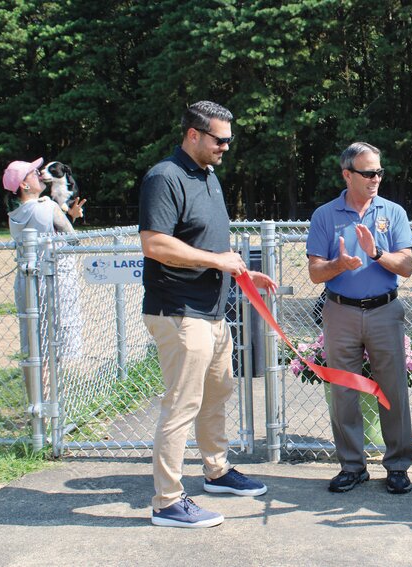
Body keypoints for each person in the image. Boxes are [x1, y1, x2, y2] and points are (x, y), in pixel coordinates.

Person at [139, 101, 277, 528]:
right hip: (179, 311)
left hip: (213, 312)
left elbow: (207, 248)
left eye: (229, 140)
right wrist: (219, 263)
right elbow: (155, 244)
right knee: (182, 405)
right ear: (194, 135)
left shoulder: (209, 177)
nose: (226, 148)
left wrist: (237, 268)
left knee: (217, 395)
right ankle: (168, 501)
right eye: (220, 140)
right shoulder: (165, 177)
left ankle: (216, 472)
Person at [306, 142, 412, 494]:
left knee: (393, 391)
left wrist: (376, 253)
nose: (375, 179)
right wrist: (340, 265)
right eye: (368, 173)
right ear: (347, 175)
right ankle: (352, 466)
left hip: (385, 311)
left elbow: (408, 267)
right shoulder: (325, 215)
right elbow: (315, 272)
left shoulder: (393, 212)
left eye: (379, 172)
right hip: (341, 312)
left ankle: (398, 466)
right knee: (344, 392)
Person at [4, 158, 86, 361]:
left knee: (34, 341)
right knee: (58, 340)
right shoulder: (48, 206)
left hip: (27, 279)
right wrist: (71, 218)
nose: (39, 174)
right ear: (24, 185)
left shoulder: (14, 214)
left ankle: (39, 389)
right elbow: (72, 238)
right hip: (55, 278)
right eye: (33, 173)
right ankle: (53, 390)